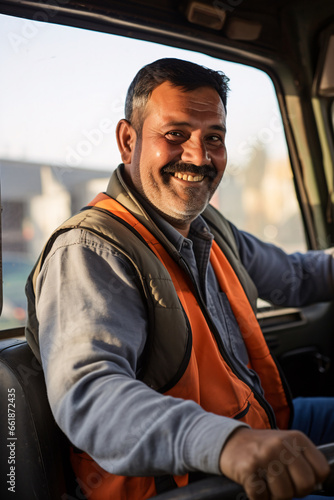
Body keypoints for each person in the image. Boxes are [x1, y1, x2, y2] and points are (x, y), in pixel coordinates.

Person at [25, 58, 333, 500]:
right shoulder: (90, 249)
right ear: (127, 139)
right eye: (176, 135)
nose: (199, 156)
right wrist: (228, 442)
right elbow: (90, 396)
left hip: (264, 428)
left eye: (214, 138)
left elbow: (297, 277)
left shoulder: (212, 229)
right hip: (189, 480)